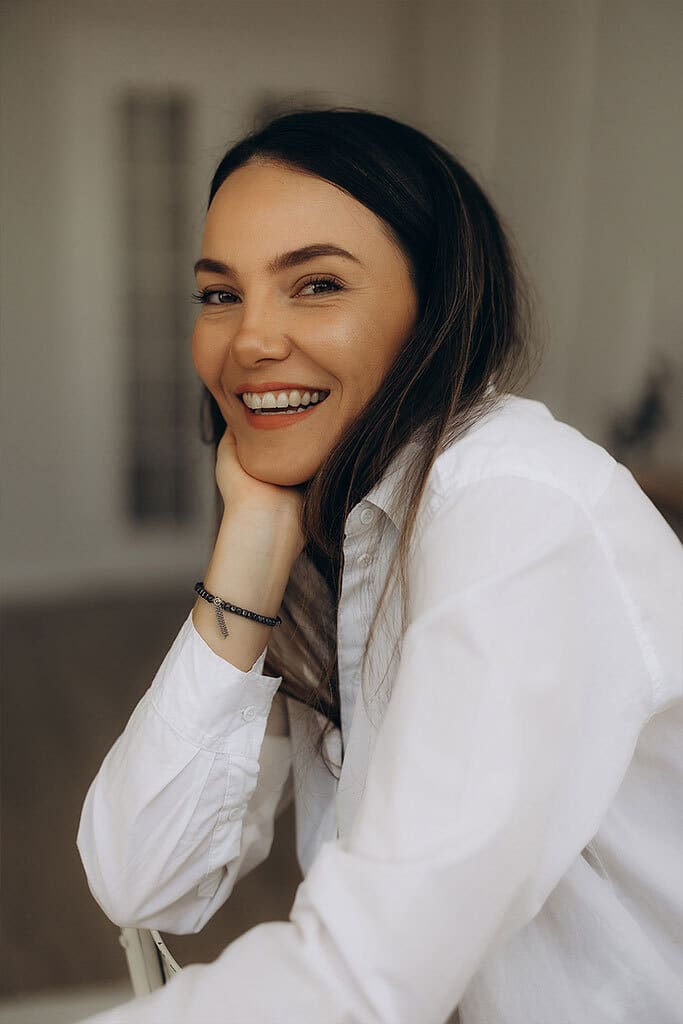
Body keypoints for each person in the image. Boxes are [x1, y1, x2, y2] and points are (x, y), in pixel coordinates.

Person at [75, 108, 683, 1024]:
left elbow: (368, 973)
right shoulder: (342, 519)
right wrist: (253, 538)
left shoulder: (518, 507)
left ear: (433, 309)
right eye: (219, 294)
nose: (249, 341)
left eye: (316, 284)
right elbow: (143, 877)